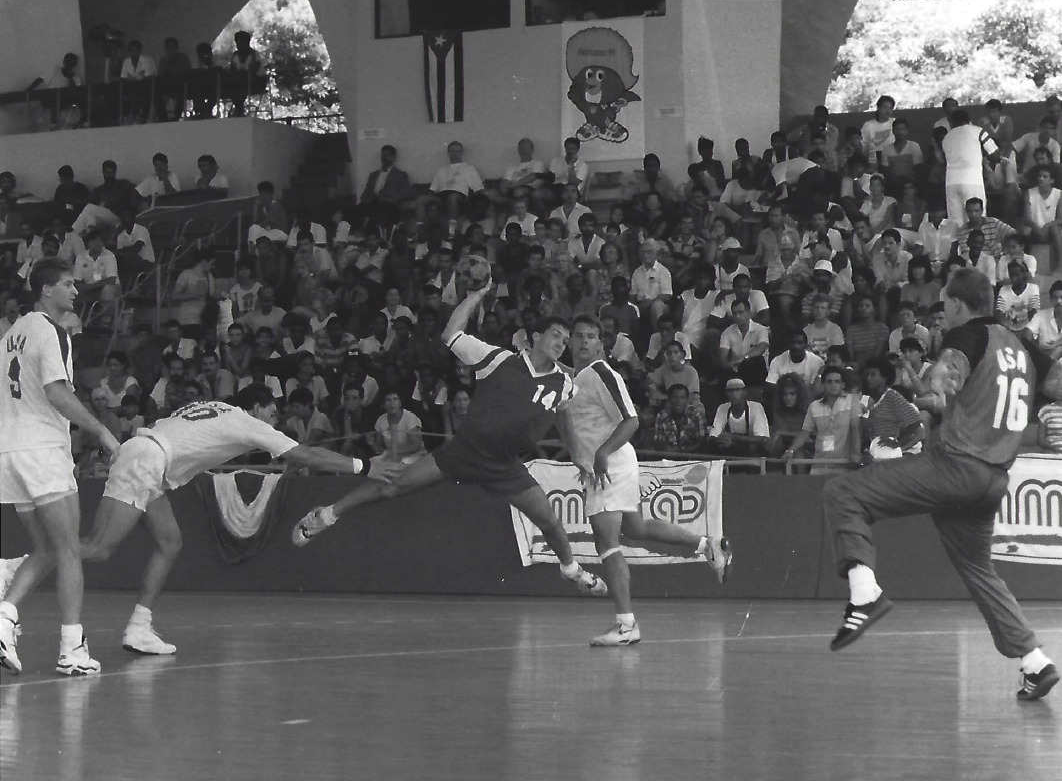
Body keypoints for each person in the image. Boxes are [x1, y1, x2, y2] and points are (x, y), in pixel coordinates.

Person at [820, 268, 1057, 700]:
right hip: (993, 479)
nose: (940, 315)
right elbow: (1052, 380)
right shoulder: (1021, 346)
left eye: (944, 305)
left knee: (843, 492)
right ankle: (1035, 663)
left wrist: (936, 377)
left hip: (956, 467)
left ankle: (864, 592)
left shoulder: (967, 335)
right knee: (978, 569)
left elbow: (949, 376)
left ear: (959, 305)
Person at [290, 280, 607, 597]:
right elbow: (451, 333)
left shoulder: (565, 382)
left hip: (505, 466)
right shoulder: (498, 359)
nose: (562, 343)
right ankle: (326, 515)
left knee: (550, 521)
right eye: (556, 335)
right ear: (535, 336)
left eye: (566, 340)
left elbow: (563, 412)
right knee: (393, 486)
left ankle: (572, 570)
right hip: (463, 452)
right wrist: (474, 296)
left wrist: (577, 452)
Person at [78, 385, 401, 655]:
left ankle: (139, 628)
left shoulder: (216, 406)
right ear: (257, 408)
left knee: (169, 541)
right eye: (271, 412)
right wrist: (364, 466)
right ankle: (29, 565)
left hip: (147, 457)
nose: (273, 420)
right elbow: (305, 455)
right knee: (99, 548)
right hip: (146, 461)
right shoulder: (249, 424)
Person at [559, 315, 731, 646]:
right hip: (611, 462)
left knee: (606, 542)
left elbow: (632, 421)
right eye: (577, 336)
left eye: (590, 336)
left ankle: (626, 626)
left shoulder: (600, 373)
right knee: (635, 528)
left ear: (601, 344)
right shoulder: (579, 376)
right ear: (570, 342)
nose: (583, 341)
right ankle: (707, 545)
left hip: (608, 463)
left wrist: (600, 455)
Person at [0, 259, 121, 675]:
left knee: (49, 547)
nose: (76, 292)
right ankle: (72, 649)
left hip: (9, 453)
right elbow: (56, 391)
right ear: (46, 289)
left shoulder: (9, 334)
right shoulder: (51, 331)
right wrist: (103, 432)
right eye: (68, 285)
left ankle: (5, 616)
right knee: (69, 549)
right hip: (42, 449)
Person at [942, 110, 1000, 224]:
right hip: (972, 180)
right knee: (977, 219)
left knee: (955, 222)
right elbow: (995, 155)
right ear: (969, 120)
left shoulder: (946, 137)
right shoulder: (978, 131)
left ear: (951, 122)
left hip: (951, 183)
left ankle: (958, 242)